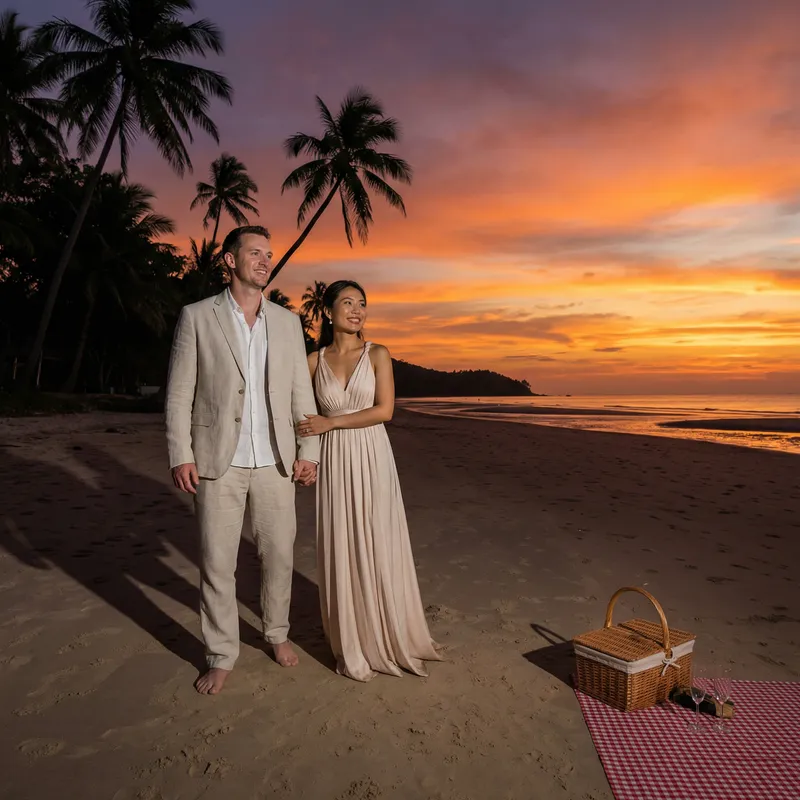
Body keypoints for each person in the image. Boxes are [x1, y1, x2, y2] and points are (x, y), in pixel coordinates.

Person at [165, 225, 319, 695]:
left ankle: (276, 634)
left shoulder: (288, 322)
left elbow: (300, 392)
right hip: (217, 461)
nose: (264, 260)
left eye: (268, 254)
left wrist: (309, 450)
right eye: (254, 253)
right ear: (229, 260)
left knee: (278, 556)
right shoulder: (197, 316)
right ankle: (221, 653)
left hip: (276, 459)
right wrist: (180, 453)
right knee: (217, 562)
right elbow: (179, 393)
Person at [298, 280, 441, 682]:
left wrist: (332, 422)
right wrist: (305, 458)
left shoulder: (378, 353)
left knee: (378, 539)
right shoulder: (313, 361)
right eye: (347, 302)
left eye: (362, 304)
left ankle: (390, 634)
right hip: (335, 461)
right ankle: (353, 639)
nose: (357, 310)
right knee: (342, 542)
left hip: (372, 455)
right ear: (328, 311)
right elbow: (300, 415)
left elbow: (385, 411)